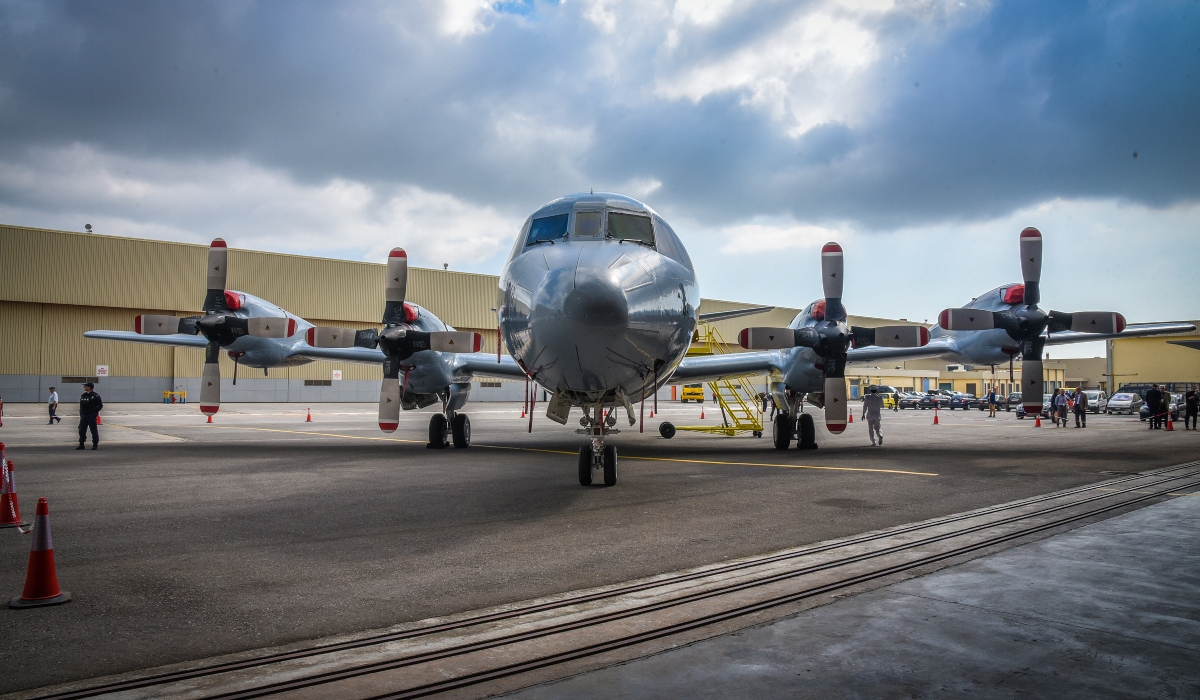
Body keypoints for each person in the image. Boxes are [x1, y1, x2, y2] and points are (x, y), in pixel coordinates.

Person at [78, 382, 103, 450]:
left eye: (85, 386)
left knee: (93, 430)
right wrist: (81, 414)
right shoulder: (83, 395)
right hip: (84, 415)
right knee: (81, 430)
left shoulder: (96, 396)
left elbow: (100, 406)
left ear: (89, 387)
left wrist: (94, 412)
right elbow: (81, 406)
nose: (84, 387)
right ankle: (81, 444)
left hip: (91, 415)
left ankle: (95, 444)